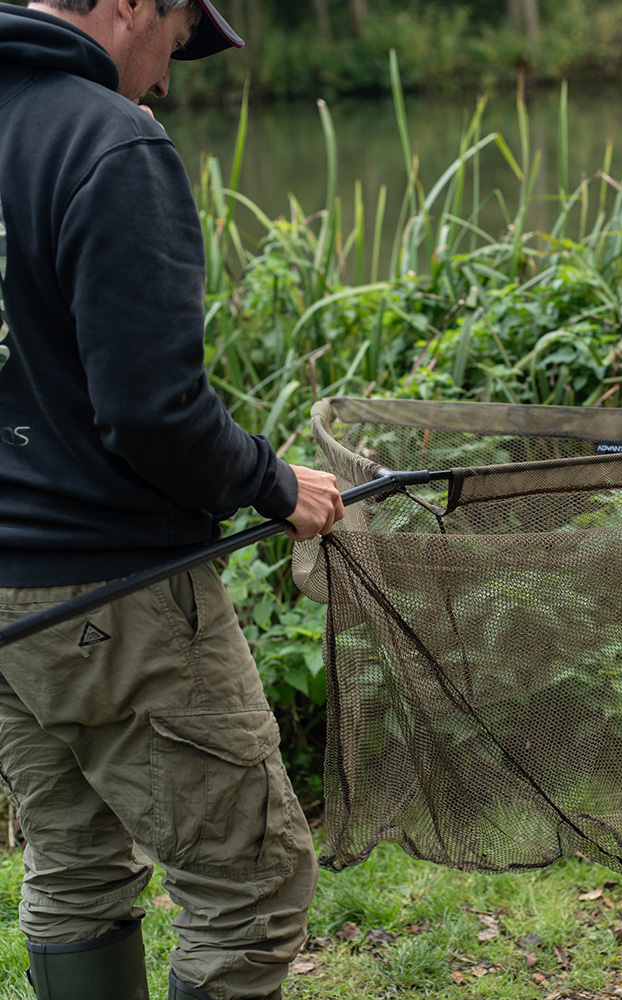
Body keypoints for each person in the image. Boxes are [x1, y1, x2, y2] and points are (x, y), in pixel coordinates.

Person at [0, 2, 346, 998]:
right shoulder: (109, 141)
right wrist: (273, 483)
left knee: (73, 865)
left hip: (7, 607)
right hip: (116, 597)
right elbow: (152, 414)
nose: (160, 82)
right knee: (253, 887)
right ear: (127, 6)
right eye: (173, 43)